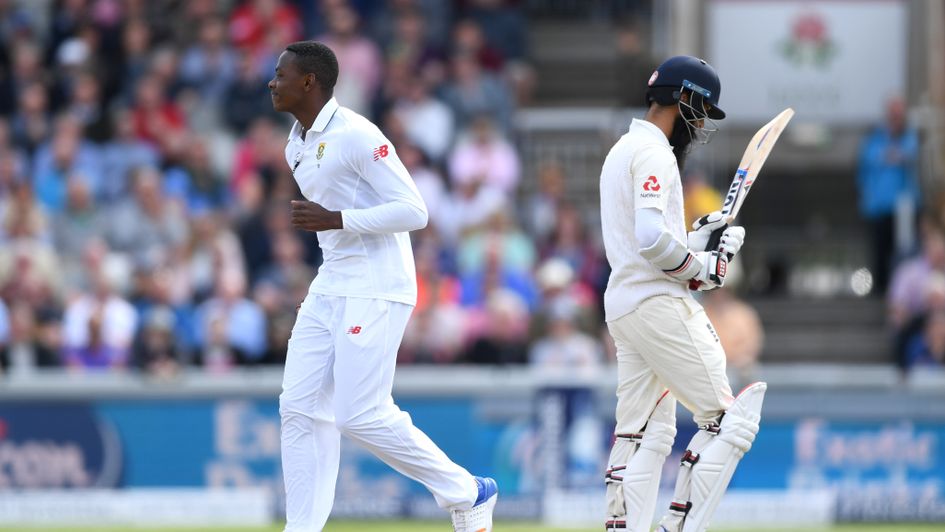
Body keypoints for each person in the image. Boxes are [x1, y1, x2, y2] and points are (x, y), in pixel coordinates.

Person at [268, 41, 497, 532]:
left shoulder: (355, 133)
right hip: (331, 281)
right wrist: (333, 226)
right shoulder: (295, 144)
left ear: (309, 81)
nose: (272, 81)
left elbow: (415, 210)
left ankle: (467, 490)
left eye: (281, 74)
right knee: (299, 408)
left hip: (376, 285)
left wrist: (336, 218)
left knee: (359, 415)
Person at [598, 55, 765, 532]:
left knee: (646, 432)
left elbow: (641, 241)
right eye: (702, 110)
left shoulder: (623, 149)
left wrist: (697, 238)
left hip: (626, 305)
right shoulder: (654, 154)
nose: (701, 124)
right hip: (656, 304)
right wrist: (702, 270)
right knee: (730, 422)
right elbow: (651, 240)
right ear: (683, 98)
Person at [857, 97, 920, 294]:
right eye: (894, 114)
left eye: (899, 114)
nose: (896, 118)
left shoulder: (909, 137)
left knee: (904, 250)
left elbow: (908, 154)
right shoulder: (874, 138)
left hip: (904, 207)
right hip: (879, 206)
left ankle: (902, 290)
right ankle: (881, 289)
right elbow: (867, 165)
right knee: (880, 250)